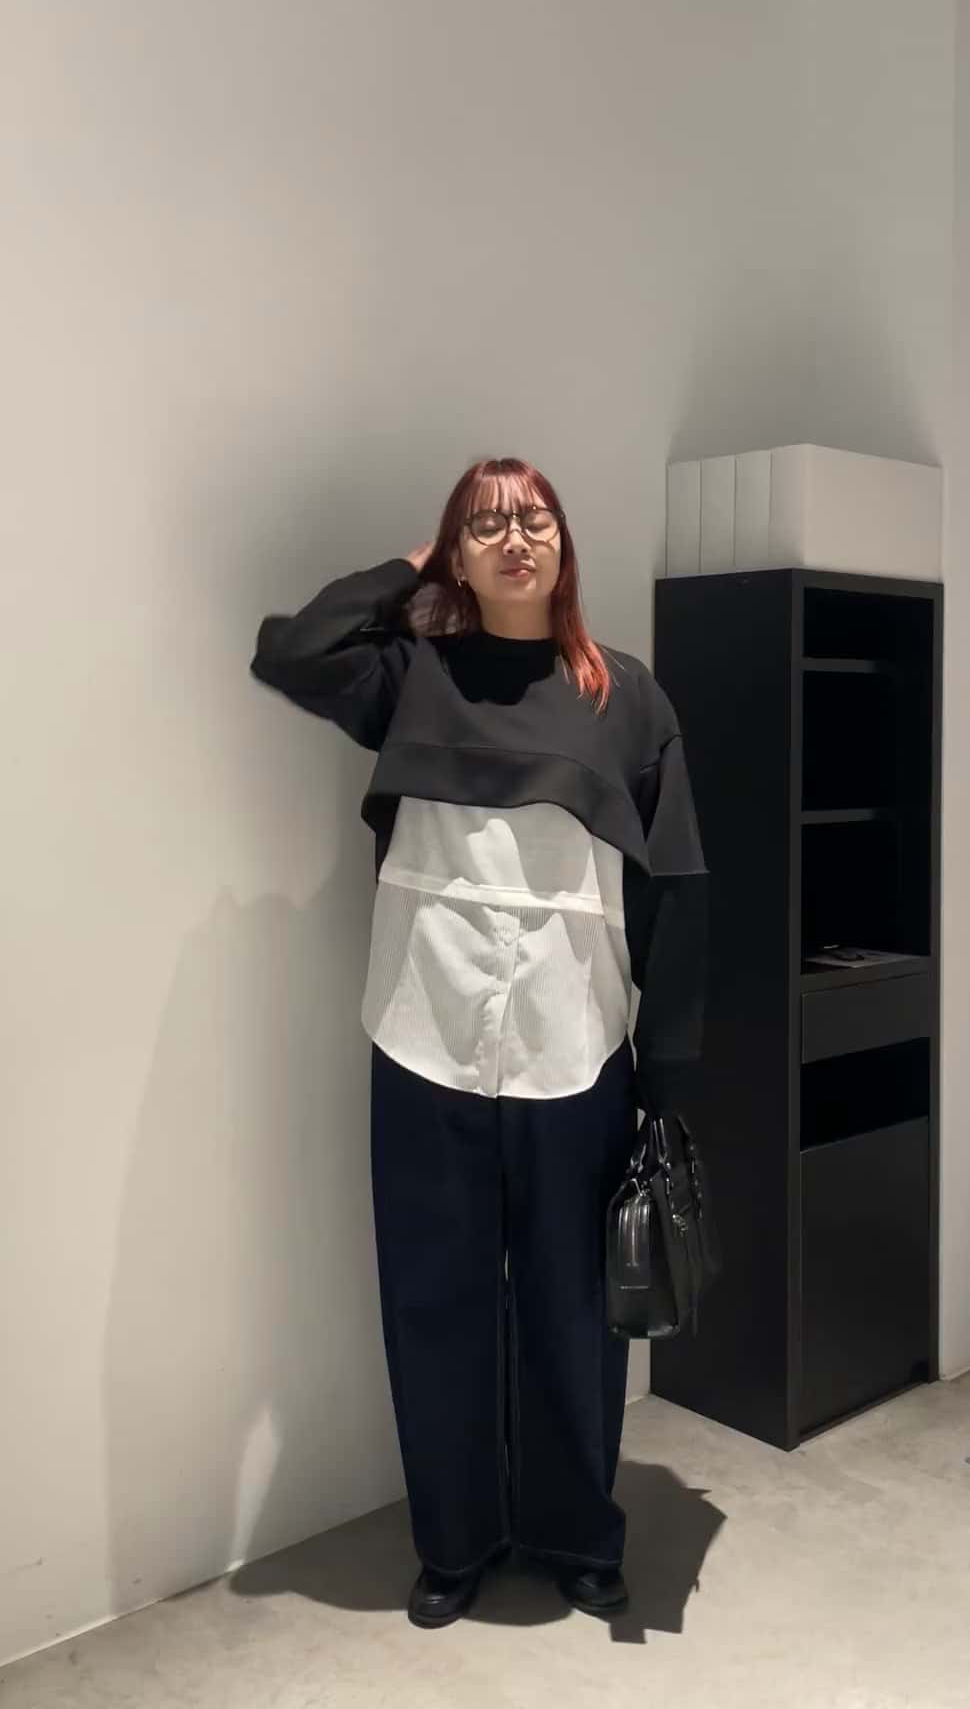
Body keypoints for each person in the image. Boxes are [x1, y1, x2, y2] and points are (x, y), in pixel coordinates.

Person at [250, 457, 708, 1628]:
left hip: (576, 1049)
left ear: (566, 545)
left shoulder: (626, 698)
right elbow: (292, 652)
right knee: (433, 1302)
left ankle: (575, 1532)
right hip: (422, 1039)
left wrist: (666, 1068)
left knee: (571, 1311)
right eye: (487, 524)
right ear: (455, 553)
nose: (515, 538)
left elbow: (678, 887)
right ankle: (453, 1540)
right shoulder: (411, 676)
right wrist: (407, 571)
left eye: (534, 519)